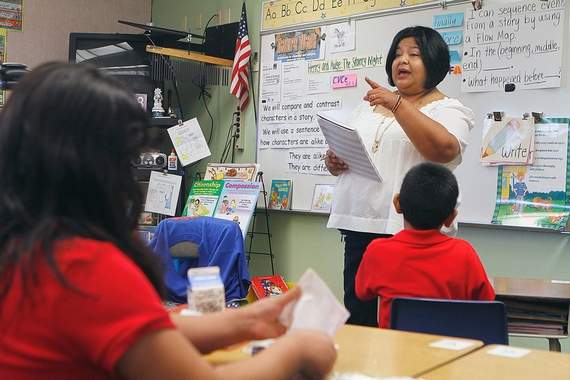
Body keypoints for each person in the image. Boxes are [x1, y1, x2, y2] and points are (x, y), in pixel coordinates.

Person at [0, 63, 336, 380]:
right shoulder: (84, 266)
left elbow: (146, 333)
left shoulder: (25, 250)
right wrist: (296, 350)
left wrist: (250, 320)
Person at [324, 26, 475, 327]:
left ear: (433, 62)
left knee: (405, 323)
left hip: (408, 229)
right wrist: (333, 159)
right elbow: (353, 149)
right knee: (359, 316)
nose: (402, 60)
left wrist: (396, 104)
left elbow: (443, 149)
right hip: (359, 223)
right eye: (397, 54)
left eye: (414, 54)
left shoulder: (448, 108)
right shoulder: (369, 106)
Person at [355, 163, 495, 328]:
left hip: (392, 351)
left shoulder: (378, 251)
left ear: (397, 203)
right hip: (446, 351)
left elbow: (362, 292)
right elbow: (486, 303)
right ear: (451, 217)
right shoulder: (464, 253)